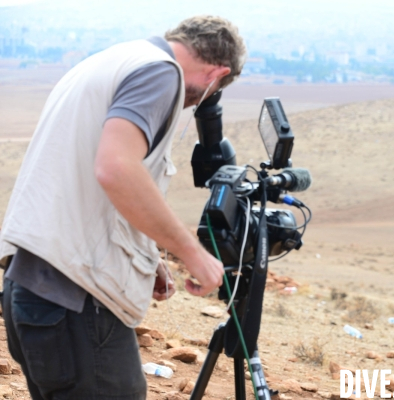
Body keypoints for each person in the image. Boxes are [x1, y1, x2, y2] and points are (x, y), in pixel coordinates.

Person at [0, 16, 246, 399]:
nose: (193, 103)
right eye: (203, 95)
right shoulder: (161, 74)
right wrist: (192, 254)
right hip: (76, 301)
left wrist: (146, 255)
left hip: (29, 289)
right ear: (218, 73)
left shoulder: (113, 60)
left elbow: (82, 182)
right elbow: (116, 168)